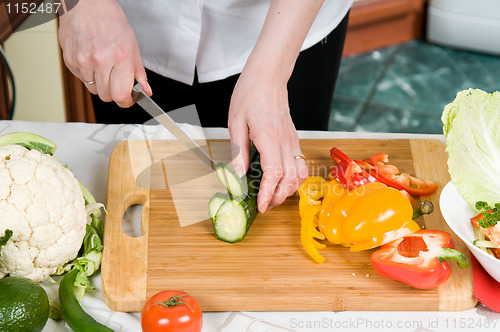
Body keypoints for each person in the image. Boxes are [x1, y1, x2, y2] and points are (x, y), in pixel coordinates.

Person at [58, 0, 353, 213]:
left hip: (286, 25)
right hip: (126, 32)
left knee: (287, 188)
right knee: (142, 206)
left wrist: (272, 72)